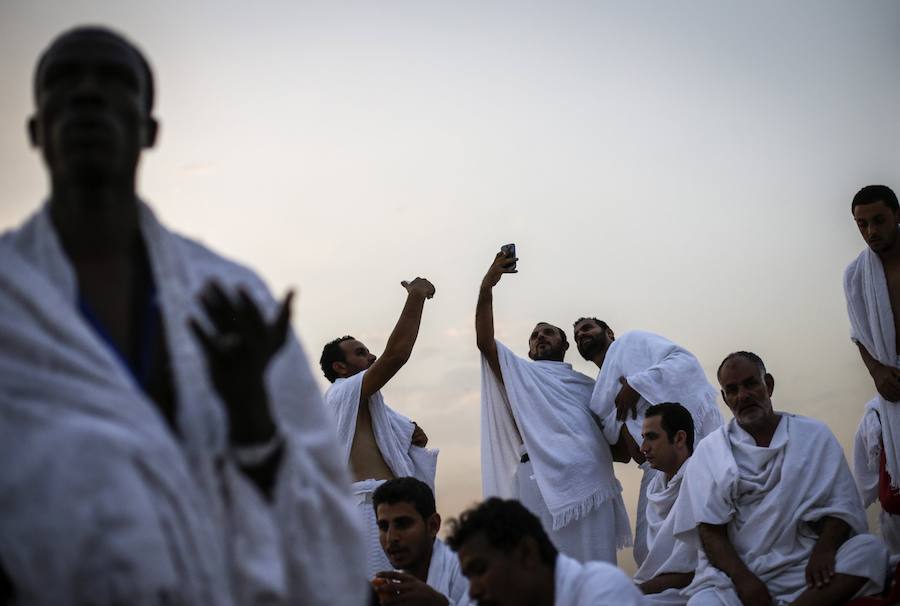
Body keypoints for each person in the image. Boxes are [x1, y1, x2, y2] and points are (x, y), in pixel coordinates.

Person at [0, 26, 363, 605]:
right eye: (64, 81)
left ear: (149, 129)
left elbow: (328, 532)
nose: (88, 94)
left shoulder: (230, 296)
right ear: (35, 129)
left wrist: (250, 418)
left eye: (114, 80)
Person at [672, 351, 888, 606]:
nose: (743, 395)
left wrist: (826, 548)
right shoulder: (711, 451)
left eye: (751, 383)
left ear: (769, 384)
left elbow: (842, 505)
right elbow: (709, 531)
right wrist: (746, 582)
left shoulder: (813, 435)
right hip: (739, 576)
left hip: (809, 567)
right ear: (725, 398)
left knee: (870, 550)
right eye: (732, 390)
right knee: (702, 603)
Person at [475, 250, 630, 564]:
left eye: (548, 333)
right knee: (541, 571)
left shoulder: (590, 387)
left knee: (592, 571)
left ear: (565, 344)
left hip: (592, 486)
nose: (539, 337)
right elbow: (485, 342)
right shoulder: (520, 374)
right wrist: (487, 287)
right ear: (529, 351)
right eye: (534, 336)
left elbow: (619, 450)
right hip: (539, 485)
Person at [572, 317, 723, 565]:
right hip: (651, 471)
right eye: (577, 336)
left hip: (687, 454)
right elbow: (619, 450)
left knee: (699, 541)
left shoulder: (631, 342)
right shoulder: (599, 391)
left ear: (609, 331)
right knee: (647, 551)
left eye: (587, 328)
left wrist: (637, 385)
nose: (581, 335)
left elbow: (684, 362)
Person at [321, 278, 439, 577]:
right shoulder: (341, 393)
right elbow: (396, 355)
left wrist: (409, 429)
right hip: (368, 512)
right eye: (360, 353)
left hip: (394, 511)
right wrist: (415, 296)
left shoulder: (374, 407)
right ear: (340, 368)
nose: (371, 356)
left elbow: (414, 437)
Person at [446, 498, 646, 606]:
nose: (473, 591)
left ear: (527, 553)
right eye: (469, 577)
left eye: (480, 570)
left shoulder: (602, 588)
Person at [844, 184, 900, 560]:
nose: (871, 232)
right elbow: (858, 334)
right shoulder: (855, 275)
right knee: (895, 501)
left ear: (897, 214)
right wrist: (877, 370)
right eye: (862, 224)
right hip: (894, 392)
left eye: (878, 221)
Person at [633, 403, 697, 605]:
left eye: (651, 437)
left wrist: (634, 590)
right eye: (643, 438)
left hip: (697, 592)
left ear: (679, 438)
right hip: (656, 591)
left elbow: (690, 571)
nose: (643, 448)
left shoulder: (700, 482)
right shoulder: (656, 488)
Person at [371, 477, 469, 606]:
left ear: (433, 525)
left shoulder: (467, 569)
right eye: (384, 527)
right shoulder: (392, 588)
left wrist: (440, 604)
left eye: (403, 524)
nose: (391, 537)